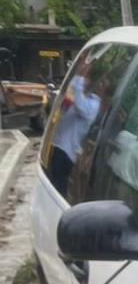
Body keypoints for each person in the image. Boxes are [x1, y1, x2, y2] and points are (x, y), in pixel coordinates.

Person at [47, 65, 102, 196]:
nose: (83, 80)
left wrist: (79, 79)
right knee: (53, 186)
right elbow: (70, 94)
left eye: (86, 78)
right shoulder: (81, 96)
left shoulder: (93, 104)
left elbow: (80, 106)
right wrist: (78, 75)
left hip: (66, 152)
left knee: (58, 190)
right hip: (58, 146)